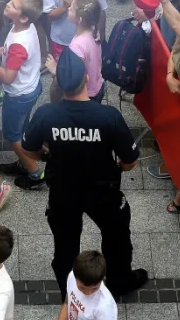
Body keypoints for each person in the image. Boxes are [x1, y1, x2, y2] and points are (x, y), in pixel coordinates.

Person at [20, 49, 148, 297]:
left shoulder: (46, 114)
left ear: (58, 82)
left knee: (65, 245)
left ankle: (70, 291)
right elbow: (131, 161)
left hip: (62, 191)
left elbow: (28, 149)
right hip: (102, 191)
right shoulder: (108, 117)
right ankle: (120, 281)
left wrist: (46, 156)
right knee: (117, 237)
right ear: (87, 79)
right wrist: (119, 166)